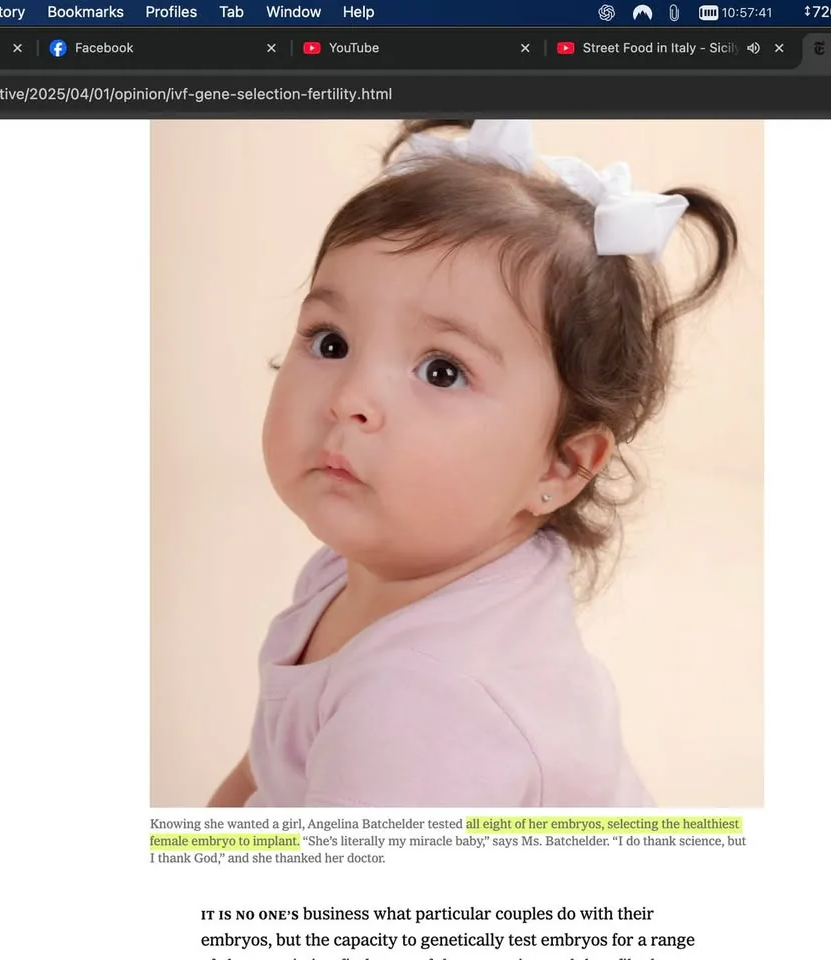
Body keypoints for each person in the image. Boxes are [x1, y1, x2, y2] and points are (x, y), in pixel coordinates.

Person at [208, 119, 738, 808]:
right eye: (331, 342)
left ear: (560, 467)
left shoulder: (423, 708)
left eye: (442, 371)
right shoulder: (380, 560)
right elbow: (272, 757)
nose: (352, 399)